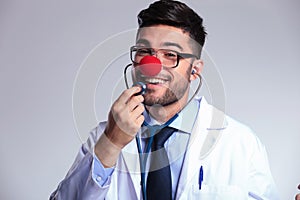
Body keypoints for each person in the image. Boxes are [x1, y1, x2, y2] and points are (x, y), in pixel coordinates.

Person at [50, 0, 279, 199]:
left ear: (194, 70)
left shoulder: (241, 143)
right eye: (143, 51)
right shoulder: (103, 137)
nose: (152, 66)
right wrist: (111, 143)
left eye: (170, 55)